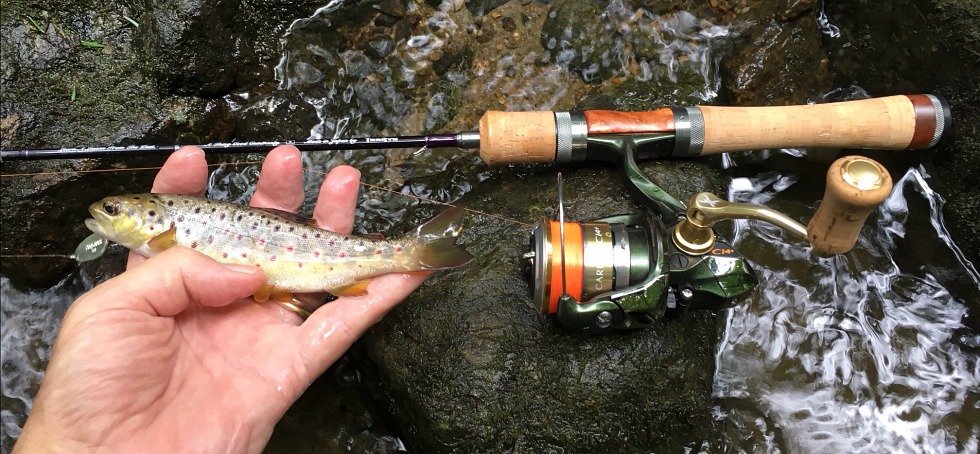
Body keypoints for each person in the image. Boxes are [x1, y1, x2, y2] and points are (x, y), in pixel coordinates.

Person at [14, 146, 430, 453]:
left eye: (113, 209)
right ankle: (407, 252)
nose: (104, 212)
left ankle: (409, 252)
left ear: (155, 219)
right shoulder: (158, 246)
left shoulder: (163, 243)